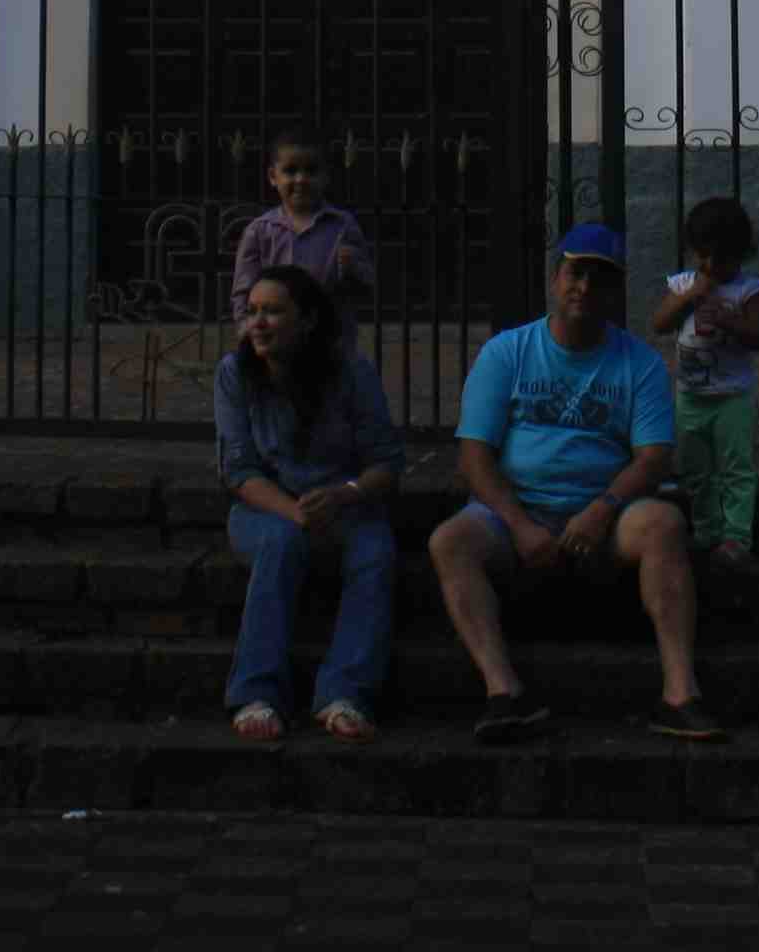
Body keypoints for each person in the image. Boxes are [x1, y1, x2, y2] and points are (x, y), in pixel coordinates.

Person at [429, 223, 719, 744]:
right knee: (448, 541)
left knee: (664, 523)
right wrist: (518, 524)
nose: (585, 287)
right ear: (554, 279)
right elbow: (474, 456)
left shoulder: (641, 364)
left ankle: (679, 693)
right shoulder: (506, 352)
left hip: (606, 517)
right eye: (575, 272)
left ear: (616, 291)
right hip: (516, 512)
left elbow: (652, 457)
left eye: (600, 278)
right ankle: (504, 691)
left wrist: (601, 510)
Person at [210, 262, 404, 742]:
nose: (257, 323)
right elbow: (239, 471)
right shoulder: (235, 374)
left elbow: (386, 462)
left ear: (308, 320)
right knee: (280, 543)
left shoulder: (351, 372)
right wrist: (293, 512)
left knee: (375, 553)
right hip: (266, 509)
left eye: (273, 312)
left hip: (343, 505)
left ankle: (345, 693)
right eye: (252, 311)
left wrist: (345, 494)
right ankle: (256, 694)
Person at [645, 196, 759, 562]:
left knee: (735, 467)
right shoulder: (685, 282)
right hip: (690, 395)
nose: (711, 266)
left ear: (741, 254)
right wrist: (687, 298)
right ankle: (706, 528)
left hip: (732, 396)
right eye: (704, 256)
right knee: (694, 468)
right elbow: (660, 323)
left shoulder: (750, 290)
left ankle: (736, 536)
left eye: (722, 258)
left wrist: (730, 320)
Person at [225, 127, 375, 313]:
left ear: (326, 176)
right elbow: (243, 293)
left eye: (311, 171)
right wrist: (247, 332)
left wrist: (353, 269)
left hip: (331, 338)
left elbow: (366, 285)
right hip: (277, 339)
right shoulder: (259, 231)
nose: (301, 179)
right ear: (273, 176)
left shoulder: (343, 225)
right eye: (290, 170)